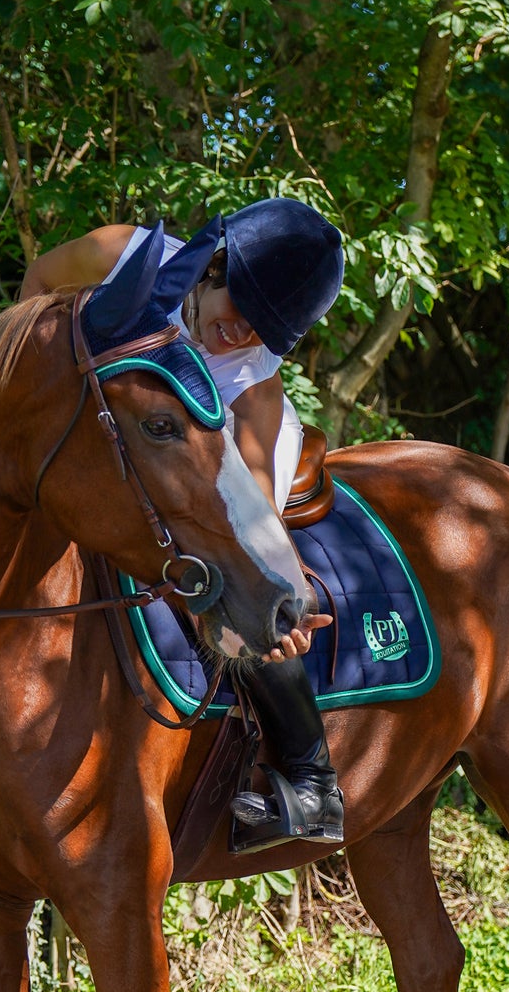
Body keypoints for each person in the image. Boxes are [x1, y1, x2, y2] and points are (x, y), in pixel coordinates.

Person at [22, 199, 346, 848]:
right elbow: (33, 289)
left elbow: (245, 518)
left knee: (240, 572)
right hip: (105, 430)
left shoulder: (253, 383)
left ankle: (313, 782)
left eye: (265, 332)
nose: (243, 336)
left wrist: (257, 599)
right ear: (213, 267)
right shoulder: (115, 255)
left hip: (219, 455)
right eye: (241, 312)